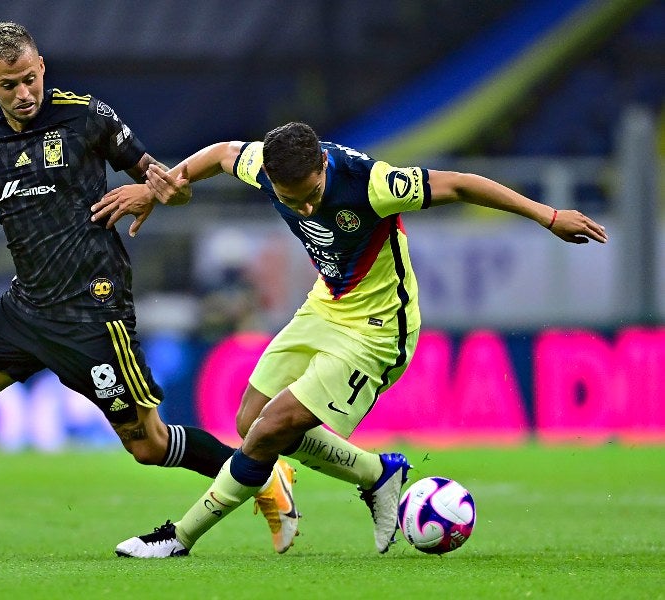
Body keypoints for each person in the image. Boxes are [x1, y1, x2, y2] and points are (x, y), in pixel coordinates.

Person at [0, 22, 298, 557]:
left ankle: (265, 475)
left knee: (148, 444)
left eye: (28, 79)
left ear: (41, 66)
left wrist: (149, 194)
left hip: (94, 309)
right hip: (26, 307)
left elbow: (171, 187)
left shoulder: (87, 116)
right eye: (7, 85)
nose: (22, 94)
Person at [92, 121, 608, 557]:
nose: (308, 209)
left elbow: (462, 184)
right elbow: (222, 154)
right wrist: (162, 185)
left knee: (269, 430)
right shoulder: (264, 167)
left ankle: (178, 538)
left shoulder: (372, 183)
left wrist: (549, 216)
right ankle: (378, 474)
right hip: (326, 304)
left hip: (378, 329)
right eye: (294, 200)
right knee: (250, 420)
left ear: (323, 166)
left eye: (314, 194)